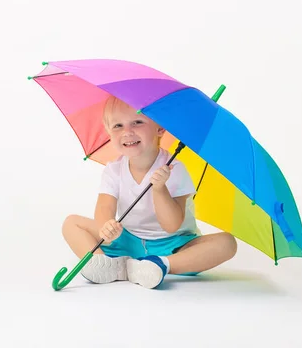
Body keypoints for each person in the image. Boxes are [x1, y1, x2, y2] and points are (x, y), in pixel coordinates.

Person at [61, 96, 237, 289]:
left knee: (227, 243)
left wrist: (160, 189)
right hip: (127, 239)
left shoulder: (175, 169)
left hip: (173, 245)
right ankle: (107, 264)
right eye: (118, 126)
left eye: (137, 122)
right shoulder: (114, 169)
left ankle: (161, 264)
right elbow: (104, 207)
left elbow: (171, 225)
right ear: (109, 132)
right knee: (72, 223)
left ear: (159, 128)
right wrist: (107, 227)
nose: (127, 132)